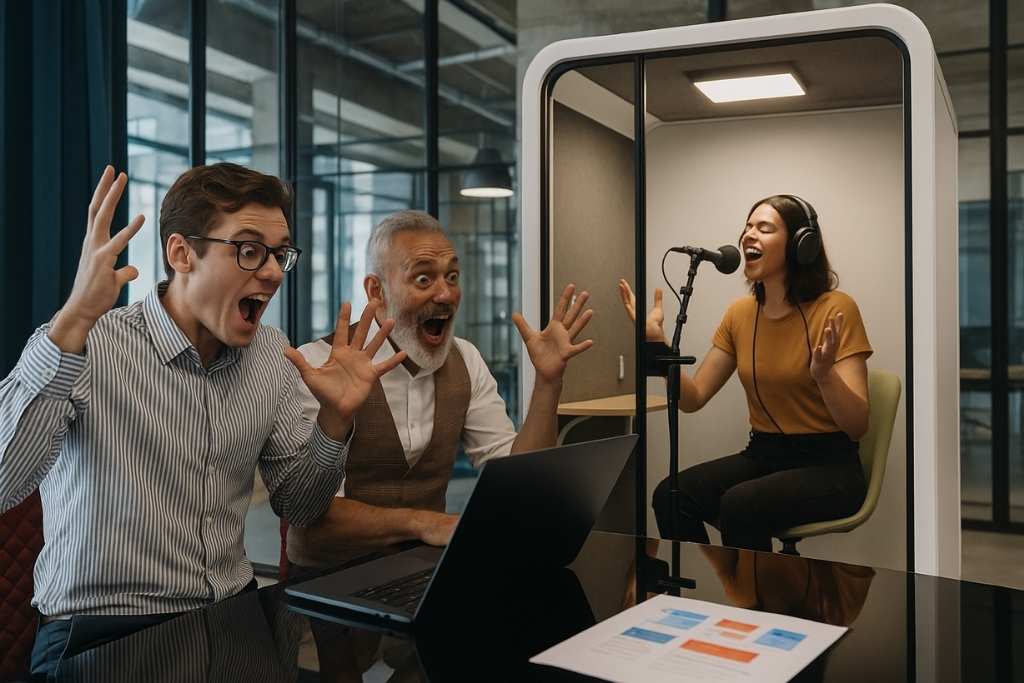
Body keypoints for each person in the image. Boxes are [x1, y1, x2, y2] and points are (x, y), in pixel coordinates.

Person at [0, 163, 405, 677]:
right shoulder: (88, 343)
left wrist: (335, 421)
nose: (275, 272)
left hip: (233, 619)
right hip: (103, 633)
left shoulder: (271, 354)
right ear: (181, 253)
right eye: (250, 249)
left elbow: (299, 506)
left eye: (281, 254)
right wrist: (75, 316)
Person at [287, 209, 595, 568]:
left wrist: (548, 383)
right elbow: (311, 517)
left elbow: (521, 479)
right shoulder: (319, 367)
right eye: (423, 279)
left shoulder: (466, 358)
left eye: (452, 276)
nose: (446, 294)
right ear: (377, 291)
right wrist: (424, 522)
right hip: (328, 587)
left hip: (426, 572)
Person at [618, 194, 872, 552]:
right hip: (763, 454)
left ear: (802, 244)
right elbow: (693, 399)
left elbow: (858, 425)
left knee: (741, 504)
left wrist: (824, 375)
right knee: (671, 495)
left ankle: (752, 604)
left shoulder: (837, 309)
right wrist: (658, 347)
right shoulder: (740, 314)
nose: (748, 235)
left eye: (764, 228)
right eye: (748, 226)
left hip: (831, 466)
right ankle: (704, 596)